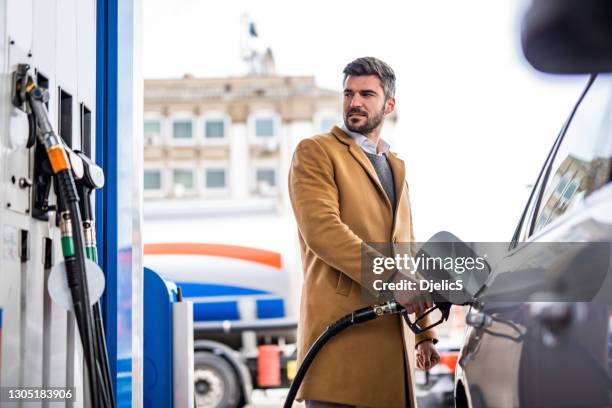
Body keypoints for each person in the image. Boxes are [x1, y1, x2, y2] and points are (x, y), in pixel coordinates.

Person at [288, 57, 440, 408]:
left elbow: (407, 250)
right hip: (341, 346)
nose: (354, 102)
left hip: (393, 347)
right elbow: (324, 232)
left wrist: (424, 334)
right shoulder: (316, 152)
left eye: (366, 94)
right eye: (348, 93)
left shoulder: (395, 166)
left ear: (389, 104)